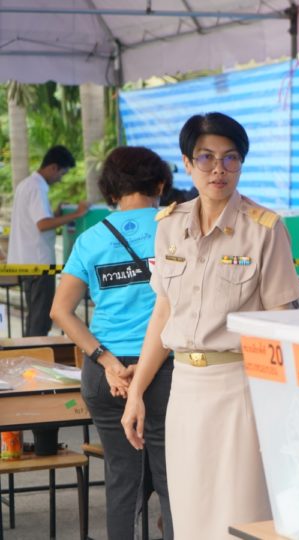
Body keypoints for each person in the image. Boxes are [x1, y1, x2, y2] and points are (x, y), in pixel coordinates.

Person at [120, 112, 299, 540]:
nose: (218, 169)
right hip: (185, 387)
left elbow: (280, 323)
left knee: (240, 512)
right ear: (187, 164)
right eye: (206, 158)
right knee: (189, 513)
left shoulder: (265, 229)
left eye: (231, 158)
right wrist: (137, 393)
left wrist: (282, 407)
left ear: (242, 163)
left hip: (241, 386)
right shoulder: (168, 226)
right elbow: (163, 313)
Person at [50, 146, 174, 539]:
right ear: (159, 184)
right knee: (174, 481)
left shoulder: (89, 240)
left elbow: (60, 311)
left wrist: (105, 360)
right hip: (166, 367)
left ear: (111, 189)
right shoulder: (175, 229)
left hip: (106, 373)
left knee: (122, 481)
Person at [8, 145, 89, 336]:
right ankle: (34, 359)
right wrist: (76, 214)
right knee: (40, 320)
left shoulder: (26, 184)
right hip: (38, 265)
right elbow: (42, 224)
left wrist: (57, 214)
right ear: (53, 167)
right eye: (62, 173)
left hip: (27, 263)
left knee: (35, 317)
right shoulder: (37, 187)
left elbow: (37, 220)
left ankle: (29, 357)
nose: (60, 179)